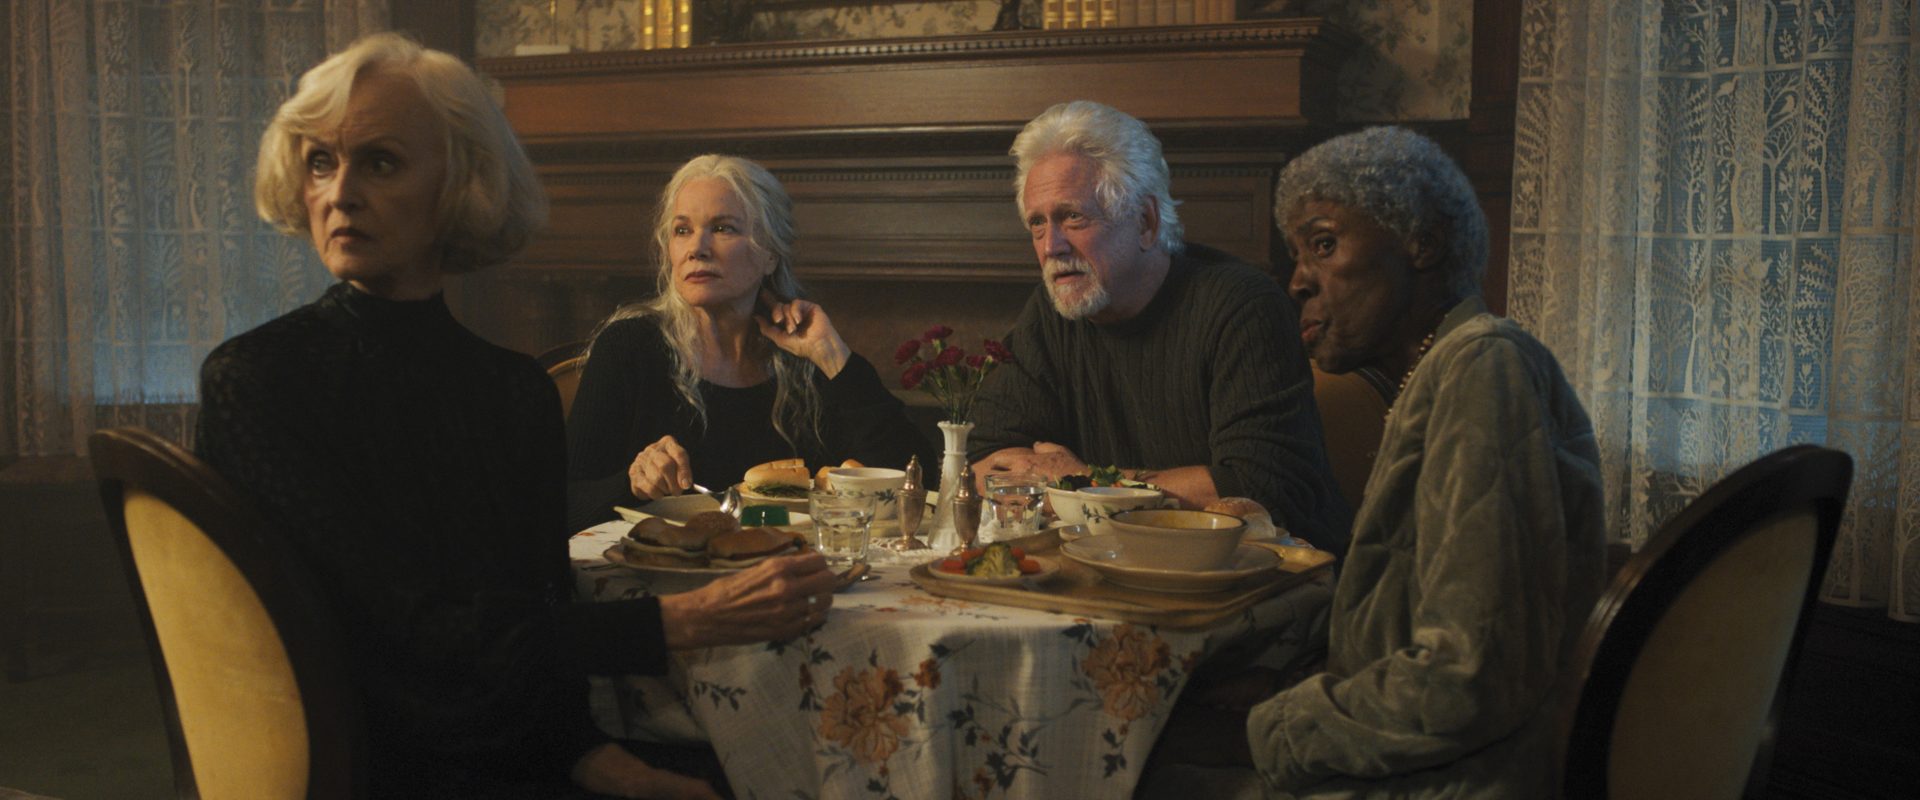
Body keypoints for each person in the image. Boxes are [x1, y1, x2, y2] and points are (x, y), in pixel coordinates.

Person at [198, 33, 837, 800]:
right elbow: (410, 634)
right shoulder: (259, 379)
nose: (340, 193)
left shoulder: (511, 391)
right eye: (320, 162)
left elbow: (529, 612)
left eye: (382, 162)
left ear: (460, 184)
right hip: (359, 763)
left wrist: (587, 754)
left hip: (518, 752)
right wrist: (681, 622)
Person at [1246, 126, 1606, 797]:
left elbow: (1471, 676)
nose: (1297, 281)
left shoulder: (1483, 365)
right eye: (1296, 256)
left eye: (1324, 245)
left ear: (1422, 243)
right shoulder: (1439, 375)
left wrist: (1279, 727)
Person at [966, 100, 1347, 553]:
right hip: (1121, 569)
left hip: (1269, 582)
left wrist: (1084, 483)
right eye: (1037, 223)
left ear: (1145, 221)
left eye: (1073, 216)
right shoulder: (1052, 312)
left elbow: (1259, 487)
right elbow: (984, 461)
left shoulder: (1242, 306)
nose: (1052, 246)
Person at [565, 155, 934, 531]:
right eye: (682, 231)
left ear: (770, 254)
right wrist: (632, 483)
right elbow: (560, 505)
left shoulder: (803, 354)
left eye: (723, 228)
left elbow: (917, 482)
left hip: (793, 568)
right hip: (671, 574)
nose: (697, 248)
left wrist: (833, 357)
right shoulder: (630, 348)